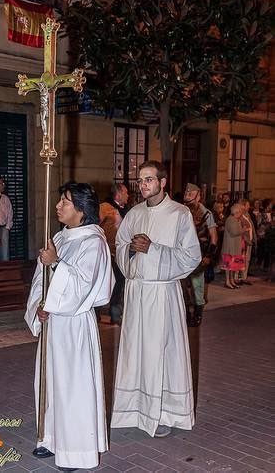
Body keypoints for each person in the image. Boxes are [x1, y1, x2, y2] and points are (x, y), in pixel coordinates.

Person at [25, 182, 114, 471]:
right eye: (60, 201)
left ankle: (77, 451)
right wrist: (39, 305)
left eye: (65, 202)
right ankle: (50, 438)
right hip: (53, 326)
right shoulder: (59, 239)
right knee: (51, 383)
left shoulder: (94, 242)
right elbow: (41, 279)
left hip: (75, 326)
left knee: (73, 388)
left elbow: (83, 287)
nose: (58, 206)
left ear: (81, 210)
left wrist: (56, 264)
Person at [111, 161, 201, 439]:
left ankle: (163, 412)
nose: (143, 185)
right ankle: (135, 409)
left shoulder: (179, 213)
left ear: (163, 182)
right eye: (140, 180)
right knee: (136, 351)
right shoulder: (134, 213)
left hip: (163, 295)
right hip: (137, 293)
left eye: (149, 179)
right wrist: (132, 251)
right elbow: (120, 246)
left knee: (161, 352)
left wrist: (154, 249)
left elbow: (191, 257)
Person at [183, 183, 218, 326]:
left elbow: (214, 237)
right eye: (187, 194)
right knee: (181, 286)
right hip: (182, 255)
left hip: (199, 256)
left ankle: (197, 315)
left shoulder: (206, 214)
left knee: (198, 286)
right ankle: (185, 313)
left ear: (198, 197)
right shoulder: (181, 210)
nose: (188, 197)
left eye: (191, 195)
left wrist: (209, 255)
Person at [99, 183, 129, 324]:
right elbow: (95, 226)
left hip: (119, 253)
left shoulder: (126, 209)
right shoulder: (105, 208)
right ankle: (98, 311)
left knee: (118, 283)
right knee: (103, 282)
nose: (128, 195)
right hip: (106, 253)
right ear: (118, 194)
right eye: (126, 192)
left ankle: (115, 314)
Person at [221, 204, 248, 288]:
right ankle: (228, 282)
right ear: (236, 212)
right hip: (230, 247)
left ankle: (232, 281)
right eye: (240, 211)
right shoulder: (231, 220)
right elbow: (234, 232)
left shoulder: (235, 219)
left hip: (234, 247)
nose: (241, 213)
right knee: (228, 266)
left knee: (233, 267)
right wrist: (243, 230)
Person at [239, 199, 256, 285]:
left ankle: (244, 277)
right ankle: (239, 277)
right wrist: (247, 240)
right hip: (244, 242)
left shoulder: (248, 215)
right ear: (243, 205)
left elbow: (251, 228)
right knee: (242, 259)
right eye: (247, 205)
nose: (249, 207)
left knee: (247, 260)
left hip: (249, 241)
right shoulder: (240, 216)